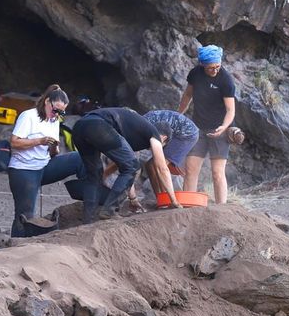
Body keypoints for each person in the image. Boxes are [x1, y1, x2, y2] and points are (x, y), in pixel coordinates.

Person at [71, 107, 182, 222]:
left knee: (94, 175)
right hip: (98, 125)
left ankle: (88, 219)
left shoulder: (135, 133)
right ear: (164, 138)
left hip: (80, 126)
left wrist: (133, 198)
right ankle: (109, 210)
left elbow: (125, 168)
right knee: (132, 166)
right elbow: (161, 168)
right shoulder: (154, 134)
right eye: (163, 146)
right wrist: (173, 200)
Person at [7, 85, 82, 237]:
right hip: (24, 169)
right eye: (55, 110)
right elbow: (14, 143)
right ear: (47, 102)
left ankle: (90, 195)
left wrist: (54, 148)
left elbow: (52, 154)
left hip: (44, 165)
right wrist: (39, 141)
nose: (57, 115)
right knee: (25, 215)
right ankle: (16, 244)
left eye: (61, 112)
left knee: (79, 158)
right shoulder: (28, 116)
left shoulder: (54, 120)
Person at [179, 44, 236, 204]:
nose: (215, 70)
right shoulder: (195, 74)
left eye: (218, 66)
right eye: (211, 68)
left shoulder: (225, 80)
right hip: (198, 128)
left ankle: (221, 208)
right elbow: (187, 96)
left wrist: (224, 127)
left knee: (217, 172)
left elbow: (230, 110)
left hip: (219, 129)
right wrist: (178, 116)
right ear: (202, 64)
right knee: (190, 168)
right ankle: (188, 205)